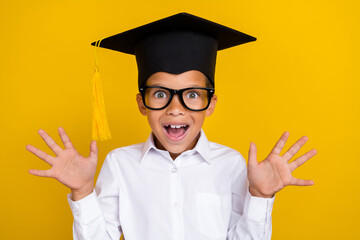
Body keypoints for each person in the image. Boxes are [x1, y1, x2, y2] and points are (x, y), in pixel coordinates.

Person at [26, 13, 317, 240]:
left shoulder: (231, 165)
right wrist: (83, 192)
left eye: (192, 95)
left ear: (211, 103)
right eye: (161, 94)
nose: (175, 108)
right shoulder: (120, 164)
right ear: (142, 103)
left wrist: (261, 197)